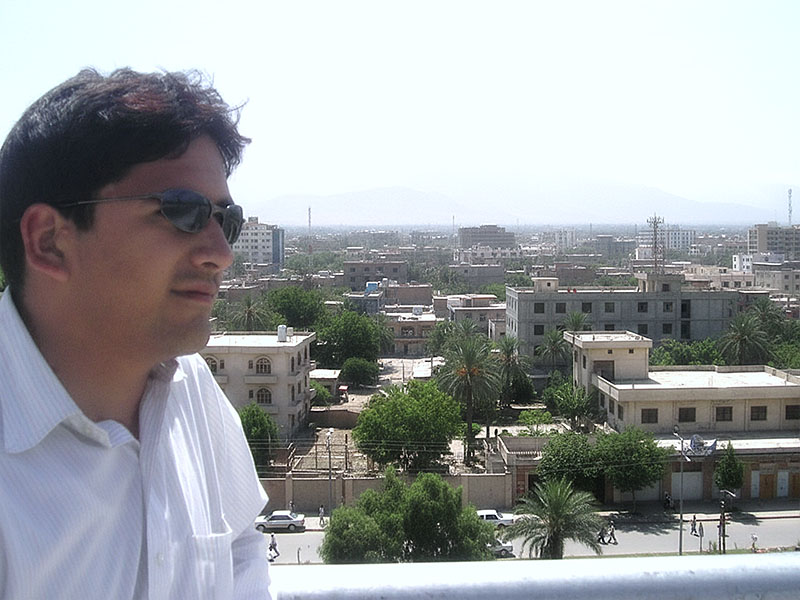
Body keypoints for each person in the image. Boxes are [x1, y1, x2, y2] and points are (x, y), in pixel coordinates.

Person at [0, 68, 270, 599]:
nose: (221, 253)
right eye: (182, 212)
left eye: (226, 220)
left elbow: (241, 544)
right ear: (50, 241)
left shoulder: (191, 389)